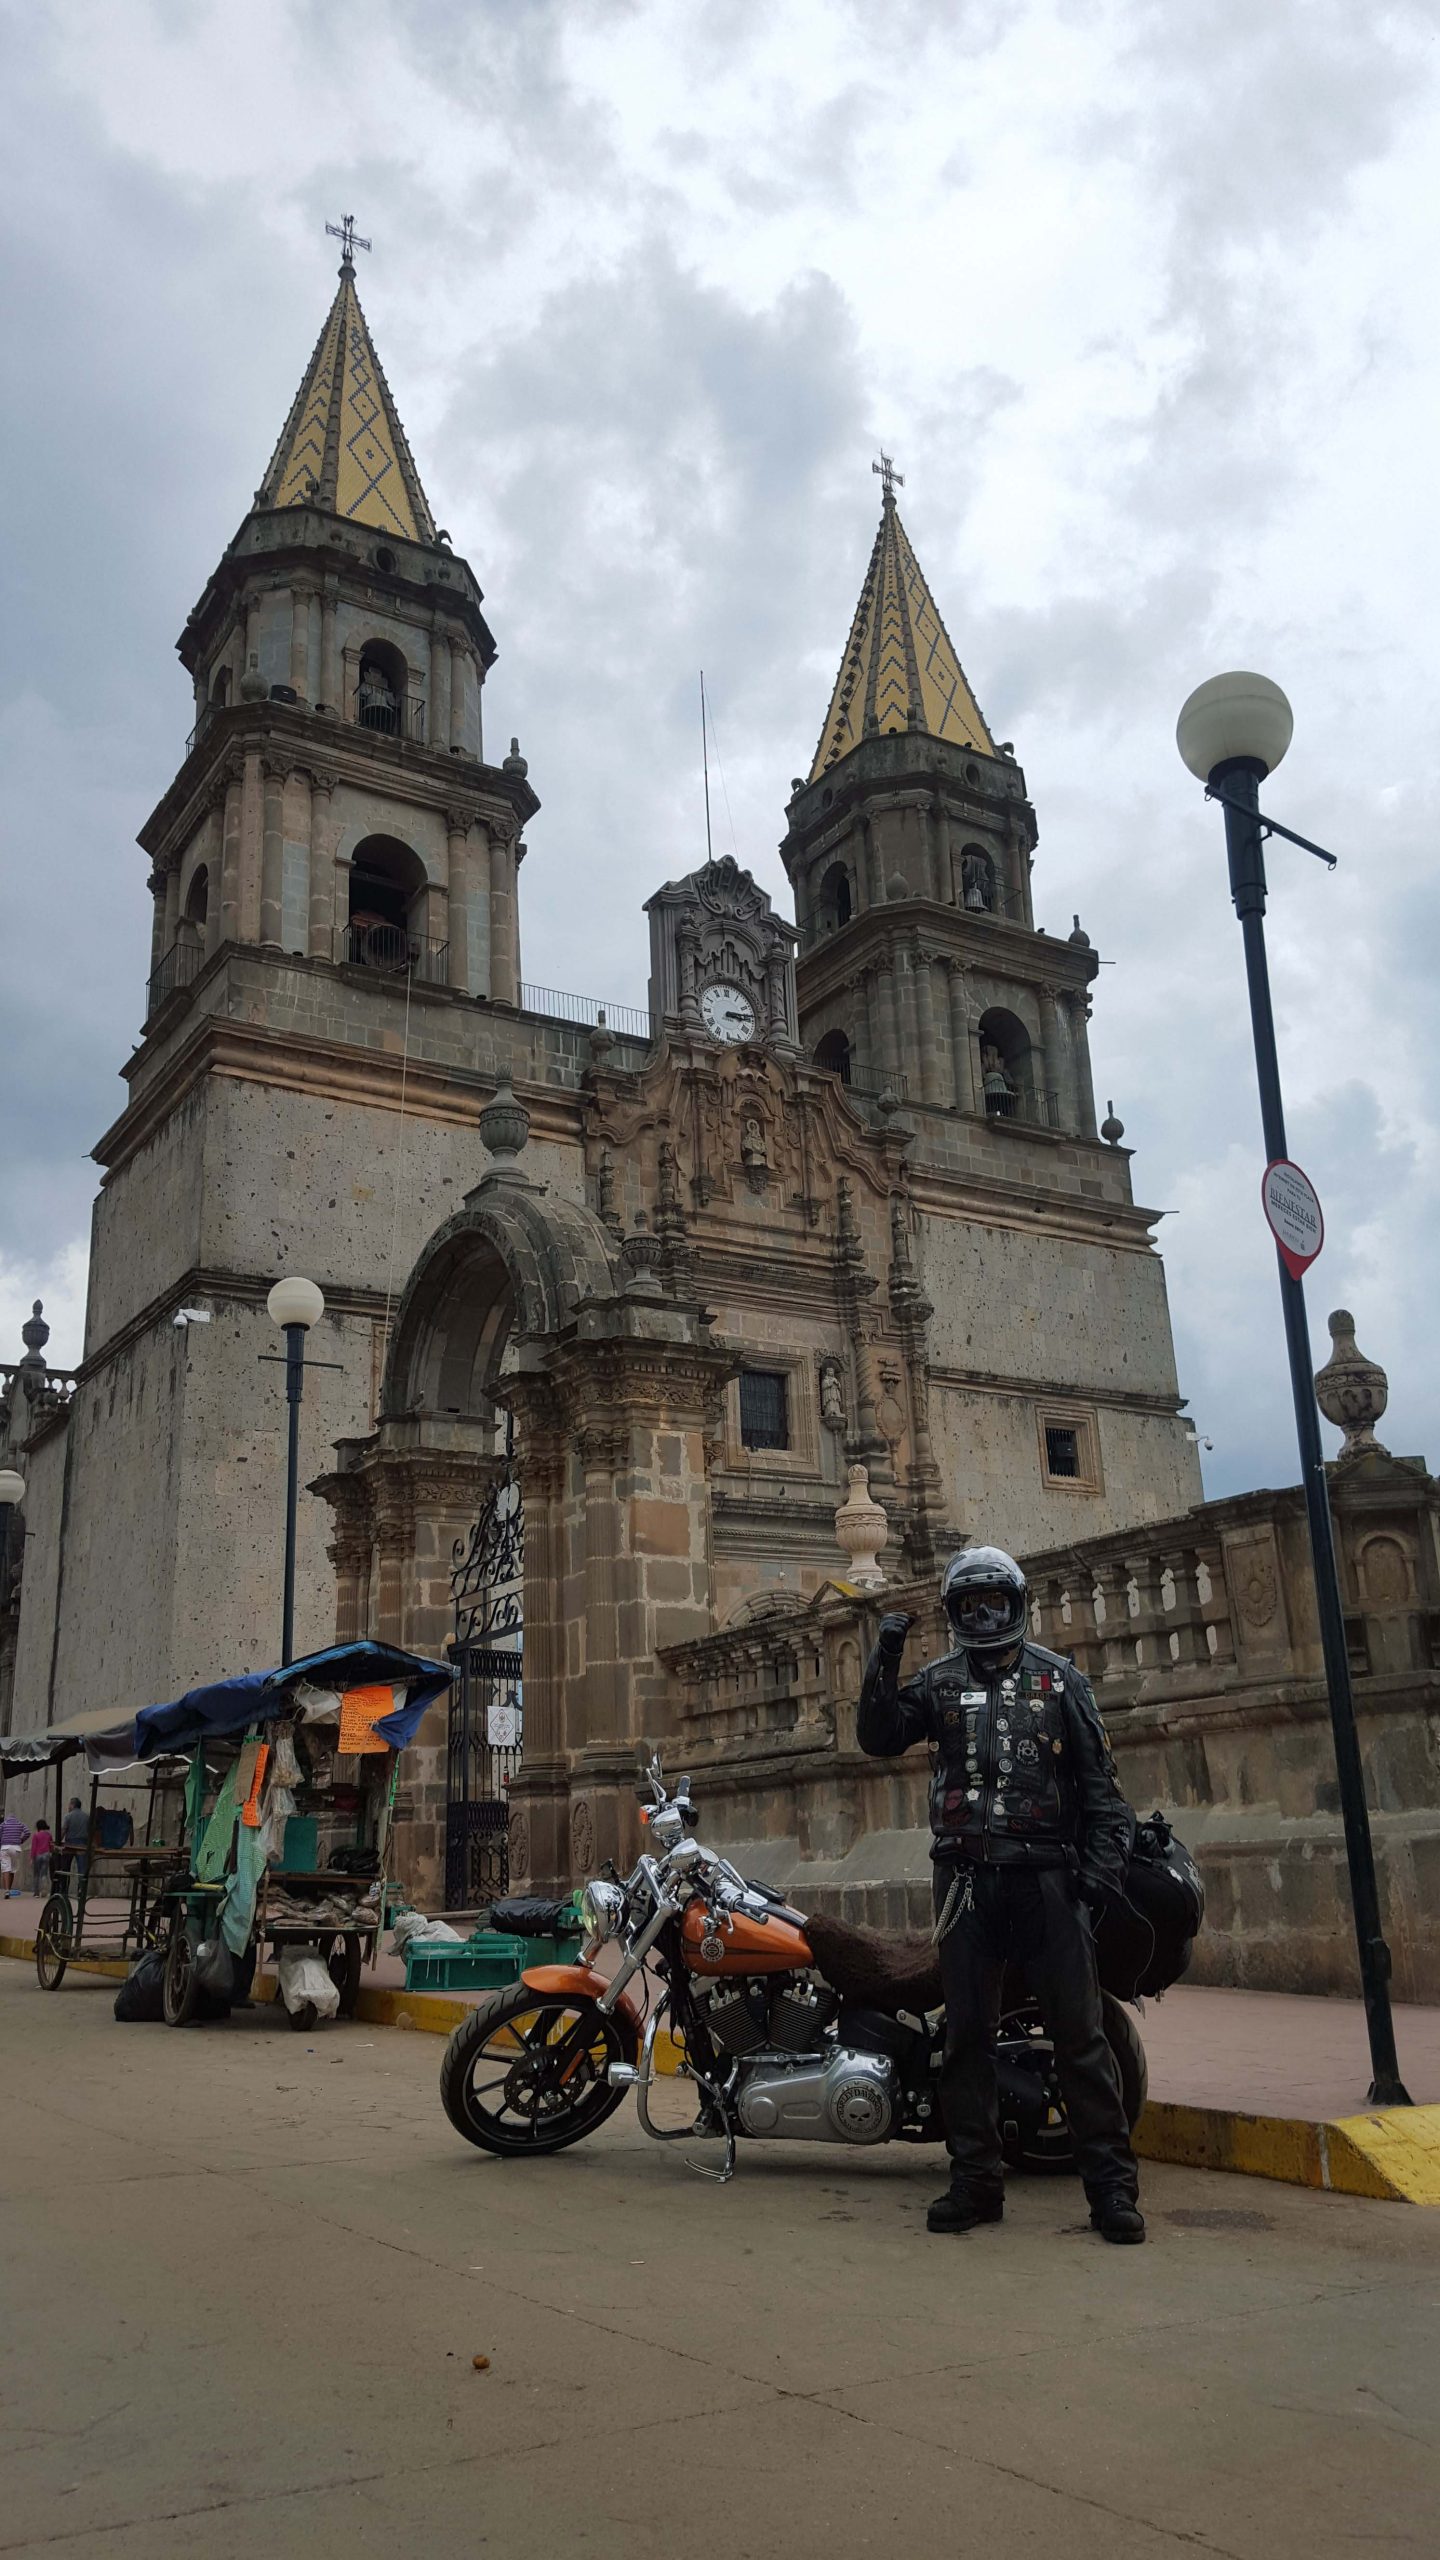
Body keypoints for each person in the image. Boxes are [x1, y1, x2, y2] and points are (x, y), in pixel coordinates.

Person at [857, 1545, 1145, 2246]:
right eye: (970, 1605)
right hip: (964, 1881)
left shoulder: (1060, 1682)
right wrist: (884, 1658)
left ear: (1017, 1605)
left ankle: (1111, 2191)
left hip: (1047, 1880)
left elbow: (1106, 1797)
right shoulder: (940, 1681)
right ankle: (976, 2181)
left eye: (995, 1602)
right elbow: (879, 1737)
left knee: (1081, 2040)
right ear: (955, 1614)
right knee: (967, 2040)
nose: (984, 1615)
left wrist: (1095, 1877)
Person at [58, 1795, 90, 1883]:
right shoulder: (86, 1817)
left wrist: (58, 1841)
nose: (68, 1807)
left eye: (69, 1805)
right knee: (82, 1868)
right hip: (83, 1844)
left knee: (65, 1868)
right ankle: (81, 1889)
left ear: (72, 1805)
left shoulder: (68, 1816)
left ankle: (64, 1889)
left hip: (70, 1844)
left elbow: (64, 1830)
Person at [0, 1807, 30, 1897]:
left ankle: (6, 1891)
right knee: (13, 1870)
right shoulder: (20, 1824)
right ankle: (9, 1888)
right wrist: (21, 1840)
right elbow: (27, 1832)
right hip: (16, 1848)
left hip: (5, 1847)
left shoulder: (3, 1824)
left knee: (6, 1869)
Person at [30, 1819, 54, 1897]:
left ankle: (36, 1893)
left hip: (37, 1855)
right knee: (44, 1874)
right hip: (46, 1854)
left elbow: (33, 1847)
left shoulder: (36, 1835)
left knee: (36, 1874)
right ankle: (44, 1890)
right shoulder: (49, 1835)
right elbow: (51, 1845)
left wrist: (31, 1858)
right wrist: (51, 1852)